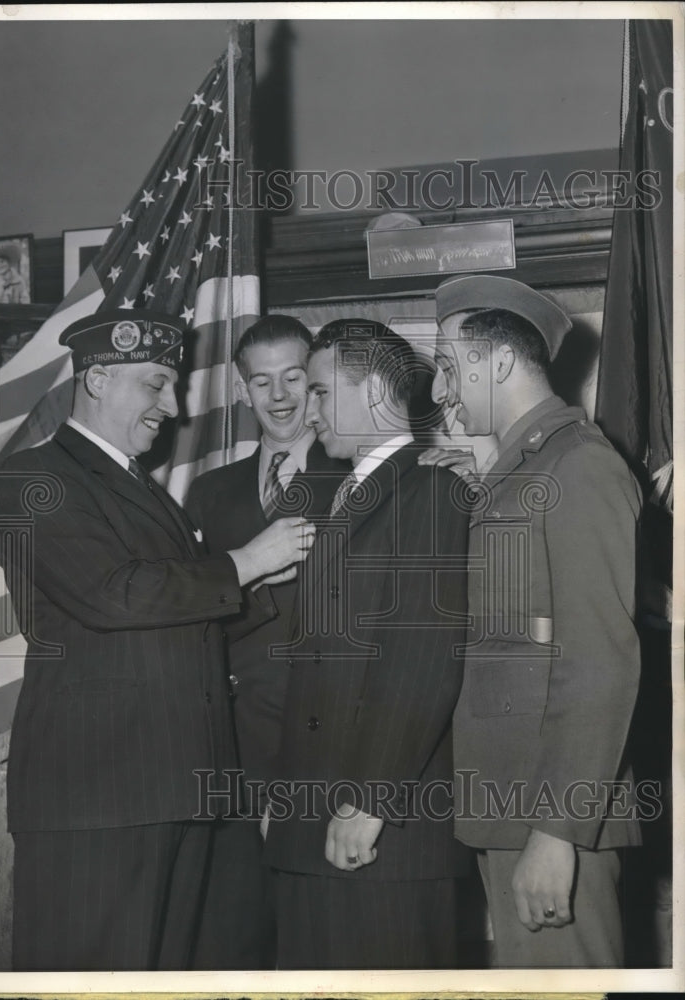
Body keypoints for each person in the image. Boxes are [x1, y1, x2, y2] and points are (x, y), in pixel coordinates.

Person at [0, 309, 315, 971]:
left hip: (175, 791)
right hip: (100, 800)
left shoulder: (150, 494)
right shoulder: (36, 478)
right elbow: (115, 594)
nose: (173, 407)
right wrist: (243, 565)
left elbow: (186, 627)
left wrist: (275, 581)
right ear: (99, 380)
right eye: (157, 385)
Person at [424, 274, 642, 967]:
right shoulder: (525, 468)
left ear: (499, 363)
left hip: (548, 817)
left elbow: (600, 662)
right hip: (512, 807)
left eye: (449, 366)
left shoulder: (578, 466)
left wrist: (557, 831)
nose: (440, 392)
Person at [262, 318, 470, 969]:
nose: (305, 409)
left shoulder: (431, 489)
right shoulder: (344, 494)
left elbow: (422, 657)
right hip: (313, 823)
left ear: (376, 389)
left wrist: (372, 797)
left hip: (382, 830)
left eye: (320, 392)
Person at [184, 314, 348, 969]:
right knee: (240, 932)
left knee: (325, 935)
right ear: (241, 389)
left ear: (316, 382)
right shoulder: (208, 492)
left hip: (332, 743)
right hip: (238, 743)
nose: (279, 396)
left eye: (293, 378)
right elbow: (189, 619)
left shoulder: (360, 480)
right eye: (261, 382)